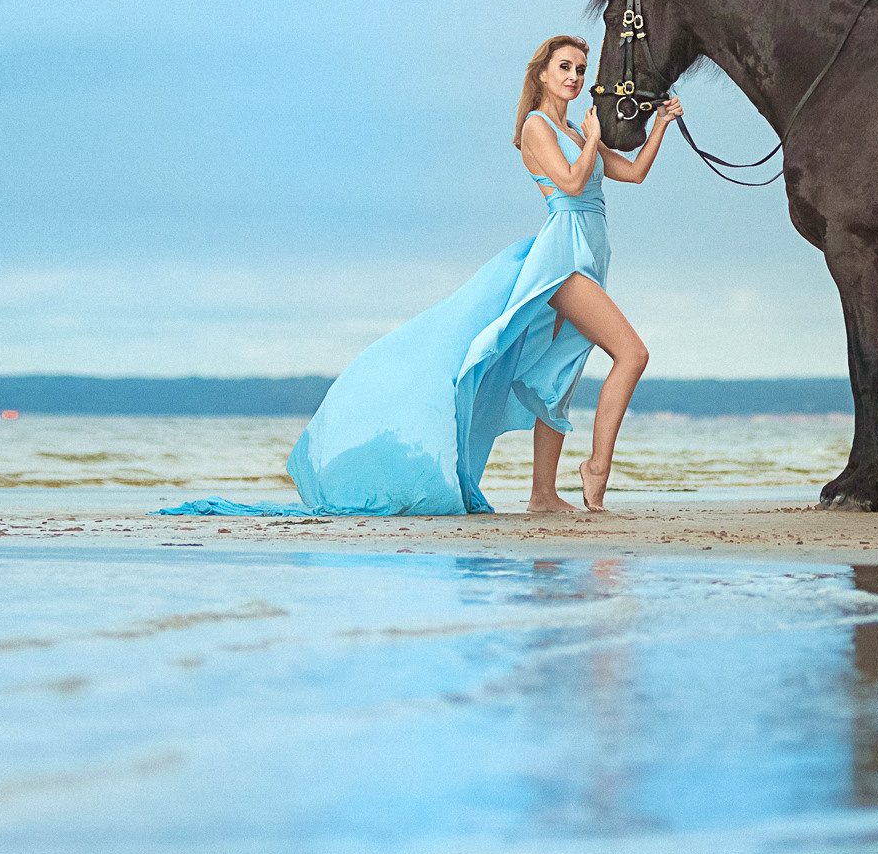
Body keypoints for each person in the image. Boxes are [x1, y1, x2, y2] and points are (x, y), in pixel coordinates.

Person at [159, 35, 681, 518]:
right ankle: (597, 467)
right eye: (564, 67)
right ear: (541, 75)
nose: (573, 76)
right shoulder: (537, 129)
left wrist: (659, 125)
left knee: (555, 376)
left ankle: (542, 494)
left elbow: (633, 172)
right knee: (631, 353)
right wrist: (592, 139)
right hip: (563, 255)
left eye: (580, 69)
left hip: (592, 250)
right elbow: (568, 183)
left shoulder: (572, 129)